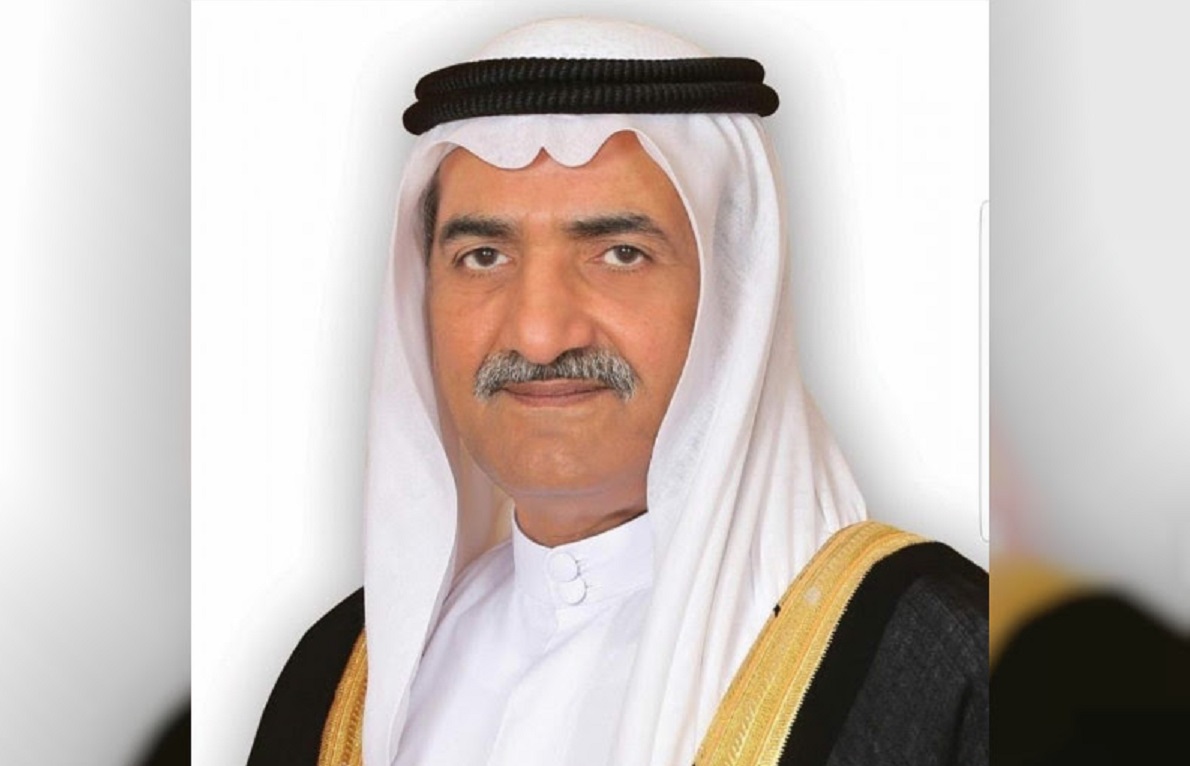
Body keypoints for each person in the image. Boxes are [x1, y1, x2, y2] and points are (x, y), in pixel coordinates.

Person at [248, 17, 987, 766]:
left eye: (621, 253)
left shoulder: (935, 658)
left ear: (736, 297)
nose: (540, 335)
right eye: (484, 256)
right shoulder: (335, 675)